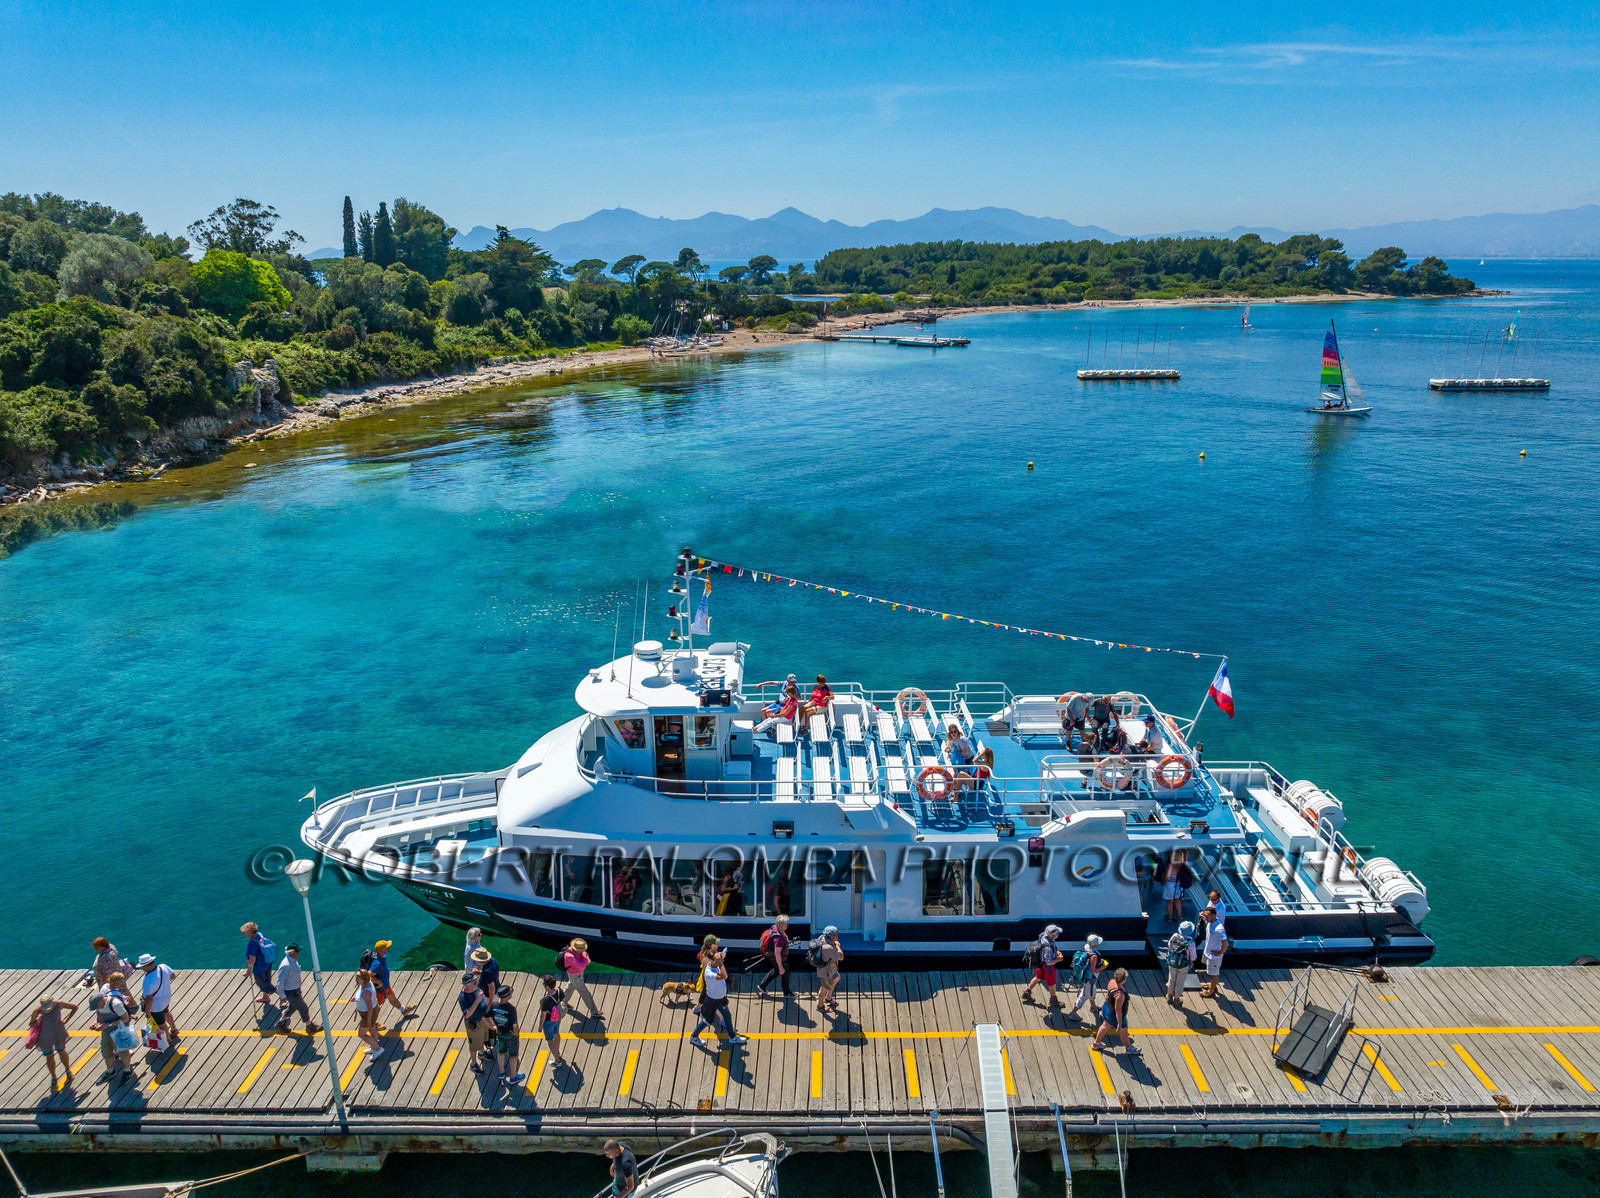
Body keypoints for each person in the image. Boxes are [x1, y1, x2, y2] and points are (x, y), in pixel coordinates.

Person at [691, 947, 745, 1046]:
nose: (722, 960)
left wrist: (721, 956)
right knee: (707, 1021)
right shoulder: (709, 973)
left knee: (727, 1017)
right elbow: (724, 976)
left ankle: (732, 1037)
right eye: (720, 960)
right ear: (715, 961)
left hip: (721, 998)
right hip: (712, 1000)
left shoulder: (715, 964)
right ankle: (694, 1037)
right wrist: (720, 962)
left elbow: (720, 960)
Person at [95, 972, 138, 1084]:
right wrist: (96, 1022)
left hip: (118, 1030)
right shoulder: (103, 1001)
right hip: (106, 1031)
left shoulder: (107, 991)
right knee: (106, 1051)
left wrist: (108, 1024)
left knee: (123, 1052)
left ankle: (127, 1071)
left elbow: (124, 1018)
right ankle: (110, 1071)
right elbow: (99, 1012)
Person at [30, 995, 78, 1090]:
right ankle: (53, 1076)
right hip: (44, 1037)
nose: (47, 1010)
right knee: (49, 1056)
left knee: (62, 1052)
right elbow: (31, 1024)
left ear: (53, 1001)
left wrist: (66, 1020)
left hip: (58, 1034)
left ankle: (68, 1071)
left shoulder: (59, 1004)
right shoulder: (37, 1011)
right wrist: (37, 1020)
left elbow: (75, 1007)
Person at [1090, 968, 1141, 1055]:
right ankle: (1128, 1047)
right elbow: (1118, 1010)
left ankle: (1096, 1043)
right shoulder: (1120, 995)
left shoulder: (1112, 982)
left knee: (1105, 1025)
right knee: (1123, 1030)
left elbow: (1109, 994)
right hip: (1113, 1014)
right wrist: (1120, 1023)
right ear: (1124, 979)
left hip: (1107, 1007)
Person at [273, 943, 320, 1033]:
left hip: (295, 990)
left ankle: (281, 1023)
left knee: (292, 1007)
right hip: (291, 992)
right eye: (297, 951)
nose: (299, 953)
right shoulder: (285, 965)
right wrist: (282, 996)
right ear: (291, 953)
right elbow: (279, 982)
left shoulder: (293, 960)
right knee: (304, 1008)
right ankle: (309, 1026)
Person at [556, 937, 602, 1023]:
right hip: (575, 976)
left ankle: (561, 1003)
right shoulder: (569, 956)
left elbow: (584, 955)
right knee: (585, 992)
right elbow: (581, 965)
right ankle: (594, 1011)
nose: (583, 951)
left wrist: (585, 957)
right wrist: (586, 959)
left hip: (578, 974)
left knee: (570, 988)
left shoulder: (577, 951)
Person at [368, 940, 417, 1020]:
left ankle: (403, 1010)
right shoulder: (377, 963)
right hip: (379, 989)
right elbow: (368, 975)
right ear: (381, 950)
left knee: (392, 998)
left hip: (385, 985)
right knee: (376, 1007)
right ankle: (373, 1023)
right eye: (386, 947)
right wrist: (378, 982)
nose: (388, 948)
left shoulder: (380, 955)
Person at [137, 953, 180, 1043]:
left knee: (161, 1023)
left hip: (156, 1005)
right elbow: (172, 976)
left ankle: (168, 1040)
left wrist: (148, 1012)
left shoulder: (148, 980)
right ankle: (174, 1029)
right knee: (166, 1012)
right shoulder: (163, 966)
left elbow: (149, 999)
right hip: (166, 997)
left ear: (145, 966)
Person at [490, 983, 525, 1089]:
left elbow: (485, 1016)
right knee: (513, 1056)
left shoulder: (494, 1005)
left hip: (500, 1033)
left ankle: (501, 1073)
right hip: (510, 1035)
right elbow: (515, 1025)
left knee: (501, 1053)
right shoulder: (511, 1008)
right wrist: (517, 1034)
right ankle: (513, 1077)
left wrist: (493, 1026)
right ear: (506, 997)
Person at [458, 972, 493, 1074]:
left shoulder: (476, 989)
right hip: (473, 1023)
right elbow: (467, 1014)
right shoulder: (463, 997)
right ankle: (473, 1064)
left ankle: (482, 1052)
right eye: (474, 983)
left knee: (482, 1038)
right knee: (474, 1045)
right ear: (467, 985)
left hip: (482, 1020)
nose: (477, 984)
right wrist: (477, 1000)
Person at [1020, 925, 1063, 1007]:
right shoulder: (1048, 947)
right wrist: (1058, 959)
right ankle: (1053, 999)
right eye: (1057, 933)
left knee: (1037, 977)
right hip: (1048, 968)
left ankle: (1027, 992)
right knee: (1052, 983)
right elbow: (1048, 962)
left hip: (1040, 965)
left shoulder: (1043, 937)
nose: (1058, 935)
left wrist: (1055, 952)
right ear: (1053, 935)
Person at [1067, 934, 1106, 1023]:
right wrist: (1102, 967)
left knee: (1092, 991)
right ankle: (1073, 1014)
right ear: (1095, 945)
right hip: (1089, 979)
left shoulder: (1087, 947)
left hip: (1088, 978)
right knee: (1084, 996)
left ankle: (1093, 1006)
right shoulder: (1094, 956)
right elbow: (1093, 970)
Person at [240, 922, 277, 1005]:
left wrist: (248, 971)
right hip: (267, 962)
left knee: (263, 983)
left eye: (245, 931)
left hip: (260, 966)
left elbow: (252, 960)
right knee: (267, 979)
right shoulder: (259, 934)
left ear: (250, 932)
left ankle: (282, 996)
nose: (243, 933)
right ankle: (265, 997)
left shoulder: (252, 943)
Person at [757, 914, 791, 997]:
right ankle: (787, 992)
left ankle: (762, 986)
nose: (788, 925)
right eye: (787, 924)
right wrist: (780, 967)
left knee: (776, 971)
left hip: (774, 957)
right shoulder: (778, 939)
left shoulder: (775, 929)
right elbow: (777, 953)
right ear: (782, 926)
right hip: (780, 959)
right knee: (785, 973)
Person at [1165, 921, 1198, 1007]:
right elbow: (1193, 957)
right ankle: (1176, 999)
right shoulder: (1190, 942)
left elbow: (1169, 945)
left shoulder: (1175, 936)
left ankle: (1169, 996)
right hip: (1183, 965)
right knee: (1180, 982)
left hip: (1172, 962)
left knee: (1171, 979)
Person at [538, 974, 567, 1068]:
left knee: (550, 1041)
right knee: (557, 1033)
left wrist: (540, 1025)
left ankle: (557, 1060)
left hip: (548, 1022)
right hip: (558, 1018)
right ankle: (557, 1051)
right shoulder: (559, 991)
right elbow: (564, 1001)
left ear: (547, 986)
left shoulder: (545, 1000)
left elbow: (543, 1015)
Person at [814, 926, 844, 1013]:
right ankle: (820, 1006)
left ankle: (828, 998)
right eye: (836, 934)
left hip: (831, 969)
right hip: (825, 973)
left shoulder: (822, 938)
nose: (838, 935)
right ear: (830, 936)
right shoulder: (828, 948)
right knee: (824, 988)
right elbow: (841, 957)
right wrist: (837, 946)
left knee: (836, 978)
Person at [1201, 909, 1228, 999]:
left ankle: (1211, 991)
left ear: (1213, 915)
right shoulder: (1209, 923)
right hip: (1208, 952)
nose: (1206, 918)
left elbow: (1225, 944)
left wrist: (1220, 952)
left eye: (1207, 916)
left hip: (1214, 956)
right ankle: (1213, 985)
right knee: (1211, 972)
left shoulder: (1219, 928)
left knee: (1214, 974)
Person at [353, 969, 382, 1050]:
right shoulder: (368, 983)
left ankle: (377, 1049)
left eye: (358, 979)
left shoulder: (366, 993)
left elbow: (369, 1008)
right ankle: (374, 1046)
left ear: (363, 979)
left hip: (368, 1014)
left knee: (362, 1034)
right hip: (374, 1007)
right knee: (372, 1029)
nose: (356, 980)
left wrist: (368, 1020)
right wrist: (357, 999)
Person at [1161, 850, 1194, 923]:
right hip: (1179, 885)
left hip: (1170, 885)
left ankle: (1169, 917)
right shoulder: (1183, 865)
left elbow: (1166, 877)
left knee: (1169, 901)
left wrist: (1163, 881)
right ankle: (1179, 915)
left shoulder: (1171, 865)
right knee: (1177, 900)